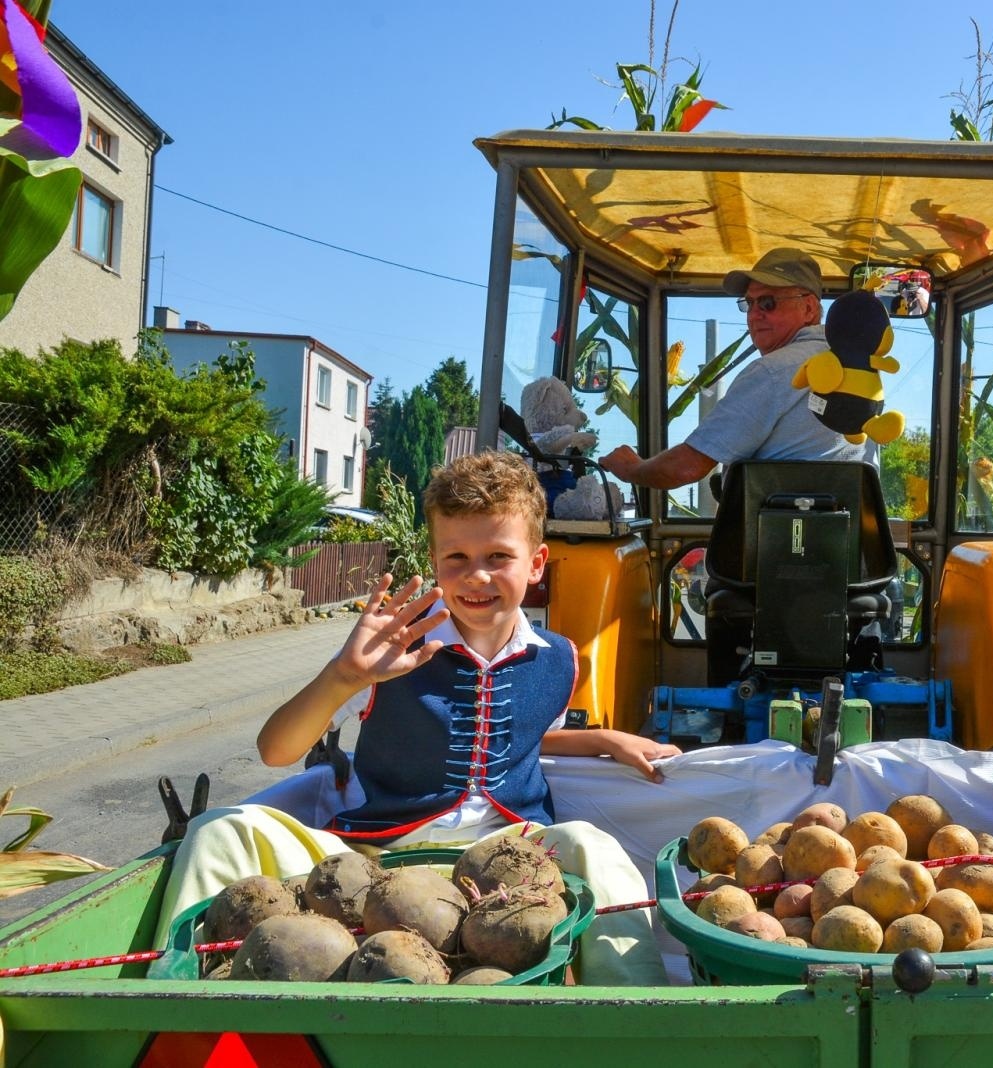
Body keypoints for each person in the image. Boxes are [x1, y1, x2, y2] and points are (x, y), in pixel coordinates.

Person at [157, 451, 682, 984]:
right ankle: (167, 997)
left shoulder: (559, 658)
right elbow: (276, 751)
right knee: (221, 830)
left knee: (594, 846)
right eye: (457, 557)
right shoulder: (389, 648)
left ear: (536, 562)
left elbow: (522, 736)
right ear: (434, 561)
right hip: (371, 856)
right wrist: (343, 676)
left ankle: (635, 1007)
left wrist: (606, 740)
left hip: (509, 857)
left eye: (498, 556)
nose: (477, 575)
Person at [598, 247, 870, 491]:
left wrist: (632, 468)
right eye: (749, 303)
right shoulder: (858, 368)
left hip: (778, 531)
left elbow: (686, 467)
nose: (754, 314)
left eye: (768, 302)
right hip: (850, 529)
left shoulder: (772, 371)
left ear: (809, 308)